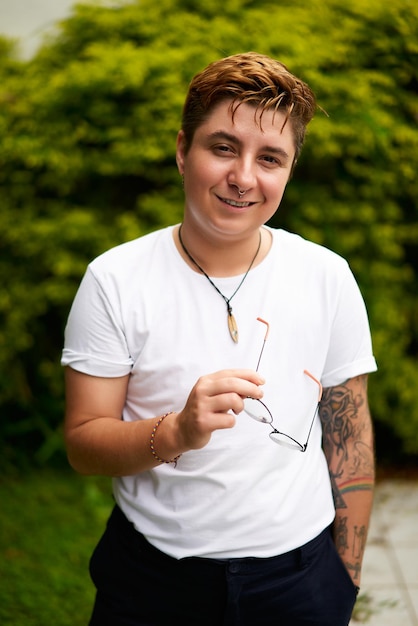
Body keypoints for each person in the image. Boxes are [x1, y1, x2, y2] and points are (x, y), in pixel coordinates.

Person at [62, 52, 377, 626]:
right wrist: (178, 431)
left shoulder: (326, 275)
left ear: (288, 172)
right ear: (184, 150)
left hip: (301, 582)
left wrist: (345, 577)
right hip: (154, 580)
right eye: (223, 147)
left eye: (271, 158)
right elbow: (84, 443)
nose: (244, 177)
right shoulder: (114, 279)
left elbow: (348, 424)